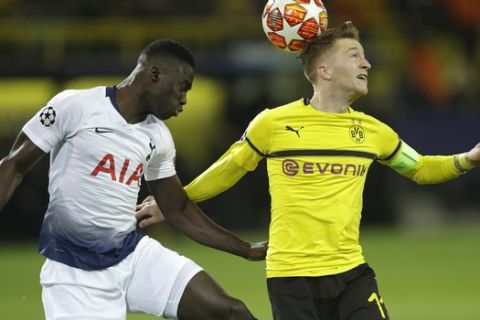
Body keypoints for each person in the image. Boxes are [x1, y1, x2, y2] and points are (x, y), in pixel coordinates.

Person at [136, 22, 480, 320]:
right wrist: (173, 201)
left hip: (351, 273)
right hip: (291, 278)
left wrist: (469, 158)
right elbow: (227, 170)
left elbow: (420, 168)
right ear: (325, 71)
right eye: (355, 55)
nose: (367, 63)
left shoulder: (375, 132)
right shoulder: (273, 123)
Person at [0, 39, 268, 320]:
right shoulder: (75, 106)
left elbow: (177, 210)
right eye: (182, 87)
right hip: (75, 274)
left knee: (229, 313)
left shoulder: (158, 137)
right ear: (155, 74)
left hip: (131, 256)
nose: (184, 100)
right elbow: (14, 165)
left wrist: (245, 249)